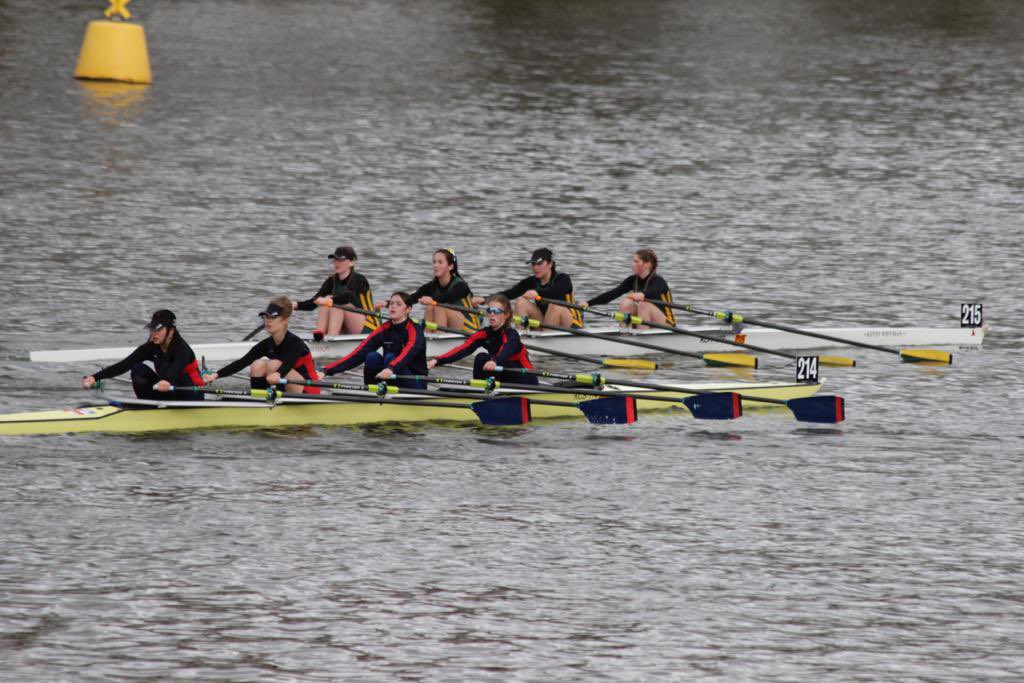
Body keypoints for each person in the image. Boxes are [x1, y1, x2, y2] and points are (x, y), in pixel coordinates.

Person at [203, 296, 321, 394]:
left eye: (273, 317)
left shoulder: (295, 342)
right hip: (286, 383)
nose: (268, 321)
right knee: (257, 364)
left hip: (308, 390)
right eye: (266, 316)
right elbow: (242, 362)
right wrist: (216, 375)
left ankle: (278, 403)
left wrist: (278, 374)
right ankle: (259, 401)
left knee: (274, 364)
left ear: (285, 319)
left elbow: (288, 364)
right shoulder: (266, 344)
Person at [81, 309, 205, 400]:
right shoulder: (151, 347)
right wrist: (95, 377)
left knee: (167, 367)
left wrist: (166, 380)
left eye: (158, 330)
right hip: (168, 389)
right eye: (152, 329)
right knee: (137, 369)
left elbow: (176, 368)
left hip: (192, 394)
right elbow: (124, 365)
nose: (154, 333)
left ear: (171, 331)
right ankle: (148, 406)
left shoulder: (182, 349)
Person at [322, 292, 428, 389]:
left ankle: (386, 393)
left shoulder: (415, 330)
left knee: (390, 357)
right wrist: (326, 371)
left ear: (408, 309)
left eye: (398, 304)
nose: (393, 306)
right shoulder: (384, 329)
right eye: (391, 303)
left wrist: (391, 368)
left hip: (416, 383)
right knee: (372, 356)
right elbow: (357, 354)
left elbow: (408, 353)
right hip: (390, 374)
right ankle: (371, 392)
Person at [428, 294, 538, 385]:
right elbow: (462, 350)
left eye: (496, 311)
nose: (492, 314)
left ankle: (489, 391)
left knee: (491, 362)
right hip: (502, 373)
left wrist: (494, 361)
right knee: (481, 357)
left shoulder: (512, 335)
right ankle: (480, 391)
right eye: (489, 310)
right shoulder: (484, 334)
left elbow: (505, 352)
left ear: (506, 315)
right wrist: (437, 360)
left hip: (525, 378)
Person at [473, 247, 583, 329]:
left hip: (571, 323)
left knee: (555, 305)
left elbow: (556, 291)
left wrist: (537, 293)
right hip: (546, 322)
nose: (535, 267)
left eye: (539, 264)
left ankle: (545, 340)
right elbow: (510, 293)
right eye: (533, 264)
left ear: (550, 264)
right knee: (521, 302)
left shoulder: (563, 279)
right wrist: (485, 299)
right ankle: (521, 337)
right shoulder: (532, 281)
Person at [292, 246, 378, 339]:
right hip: (349, 325)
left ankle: (331, 338)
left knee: (334, 304)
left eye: (341, 260)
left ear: (351, 262)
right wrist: (294, 305)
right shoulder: (331, 281)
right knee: (325, 302)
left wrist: (329, 301)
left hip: (369, 326)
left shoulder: (359, 279)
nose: (337, 263)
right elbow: (314, 302)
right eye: (335, 259)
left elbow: (348, 297)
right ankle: (319, 336)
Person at [581, 249, 677, 327]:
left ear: (647, 264)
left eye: (636, 261)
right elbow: (612, 294)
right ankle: (625, 335)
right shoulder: (633, 280)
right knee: (625, 303)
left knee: (644, 305)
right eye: (633, 261)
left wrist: (642, 294)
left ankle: (641, 336)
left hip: (666, 323)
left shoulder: (658, 280)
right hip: (648, 320)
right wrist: (588, 303)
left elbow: (653, 292)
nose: (632, 264)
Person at [408, 249, 479, 333]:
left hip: (470, 326)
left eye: (440, 262)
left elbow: (449, 297)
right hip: (451, 324)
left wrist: (431, 300)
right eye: (434, 262)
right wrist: (397, 303)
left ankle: (438, 336)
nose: (435, 265)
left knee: (439, 307)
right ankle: (428, 335)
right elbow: (413, 297)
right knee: (430, 307)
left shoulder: (461, 286)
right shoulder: (431, 286)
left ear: (450, 266)